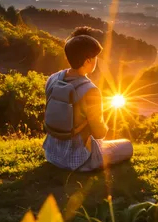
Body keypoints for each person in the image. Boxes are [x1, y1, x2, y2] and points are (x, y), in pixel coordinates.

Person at [43, 33, 133, 171]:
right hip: (78, 160)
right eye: (95, 58)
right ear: (87, 61)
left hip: (51, 154)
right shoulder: (90, 90)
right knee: (127, 145)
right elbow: (99, 133)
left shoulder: (53, 79)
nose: (97, 61)